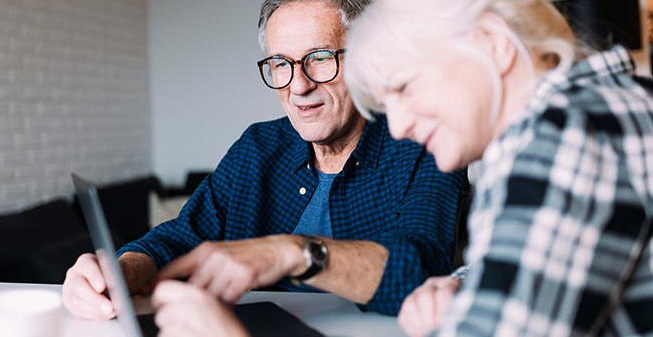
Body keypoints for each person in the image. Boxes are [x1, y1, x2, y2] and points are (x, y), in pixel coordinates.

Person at [62, 0, 468, 323]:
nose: (299, 86)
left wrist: (290, 252)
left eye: (320, 57)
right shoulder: (259, 147)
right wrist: (119, 271)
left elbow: (420, 268)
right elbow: (182, 236)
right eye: (281, 64)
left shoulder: (421, 139)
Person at [344, 0, 653, 335]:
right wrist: (469, 285)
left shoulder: (558, 134)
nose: (397, 128)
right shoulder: (608, 104)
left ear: (493, 42)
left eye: (404, 87)